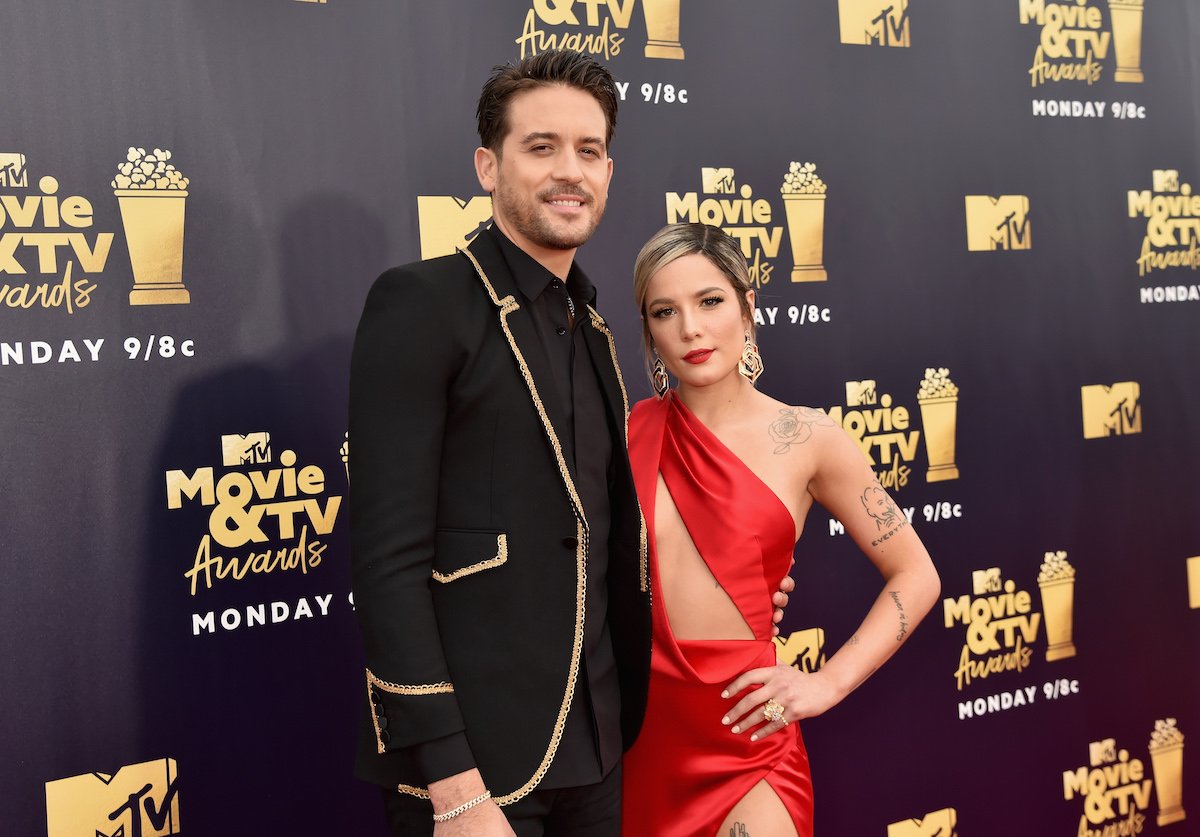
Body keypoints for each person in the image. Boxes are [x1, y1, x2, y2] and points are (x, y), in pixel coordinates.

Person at [348, 52, 793, 836]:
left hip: (600, 750)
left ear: (610, 170)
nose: (570, 171)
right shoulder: (422, 302)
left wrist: (729, 586)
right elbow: (386, 566)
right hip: (479, 771)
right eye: (542, 146)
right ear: (488, 166)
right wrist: (454, 785)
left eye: (589, 151)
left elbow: (601, 533)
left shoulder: (594, 329)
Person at [621, 223, 942, 837]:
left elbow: (917, 574)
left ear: (748, 307)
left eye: (710, 301)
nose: (690, 328)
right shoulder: (621, 435)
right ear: (650, 331)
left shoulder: (809, 438)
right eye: (666, 311)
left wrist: (828, 683)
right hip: (638, 739)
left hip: (749, 738)